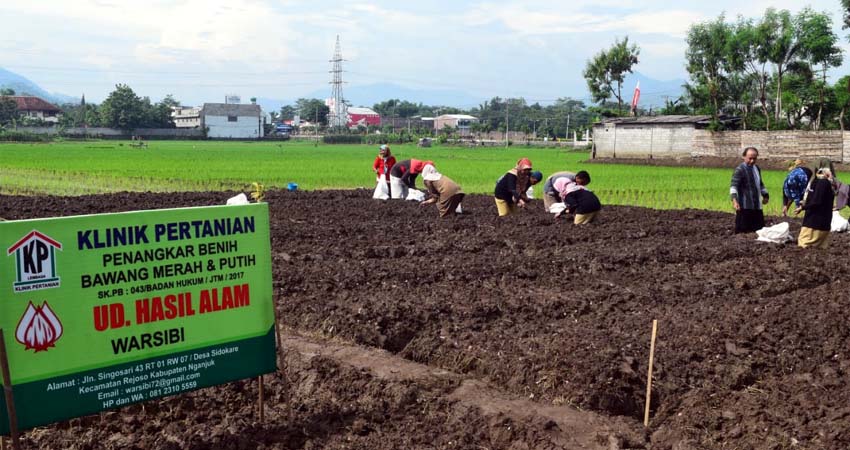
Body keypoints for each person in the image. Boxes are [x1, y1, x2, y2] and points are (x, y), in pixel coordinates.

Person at [730, 147, 769, 233]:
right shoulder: (739, 170)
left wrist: (766, 195)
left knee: (760, 231)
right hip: (744, 207)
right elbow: (734, 186)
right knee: (743, 233)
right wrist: (734, 200)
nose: (752, 161)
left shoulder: (756, 168)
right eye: (750, 158)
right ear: (744, 157)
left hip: (757, 206)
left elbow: (760, 184)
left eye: (754, 159)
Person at [796, 167, 835, 248]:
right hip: (823, 223)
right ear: (827, 174)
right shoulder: (825, 184)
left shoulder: (821, 183)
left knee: (804, 244)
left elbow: (816, 201)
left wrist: (803, 207)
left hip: (814, 223)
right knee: (820, 247)